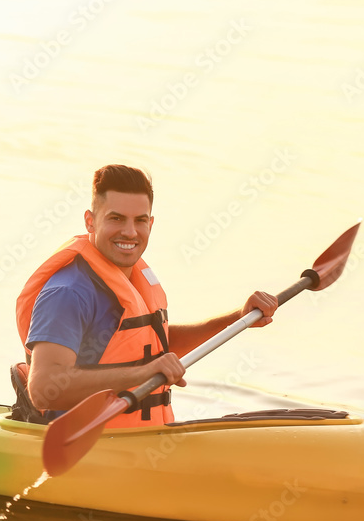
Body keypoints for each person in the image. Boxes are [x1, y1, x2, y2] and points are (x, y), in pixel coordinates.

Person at [14, 165, 278, 426]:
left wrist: (237, 319)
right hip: (87, 447)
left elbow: (152, 345)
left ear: (150, 223)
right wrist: (143, 373)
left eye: (140, 220)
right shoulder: (69, 293)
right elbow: (43, 390)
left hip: (141, 440)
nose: (130, 232)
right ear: (90, 221)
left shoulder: (132, 277)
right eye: (116, 218)